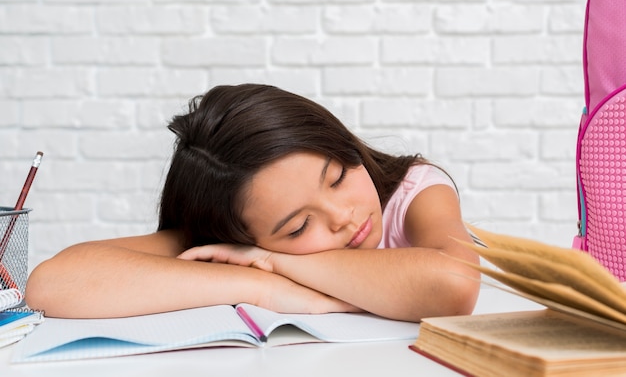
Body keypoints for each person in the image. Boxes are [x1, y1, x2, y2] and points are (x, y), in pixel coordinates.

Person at [25, 84, 480, 321]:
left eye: (338, 177)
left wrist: (277, 260)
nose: (344, 217)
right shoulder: (232, 239)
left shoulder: (411, 192)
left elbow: (455, 284)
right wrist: (261, 286)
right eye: (299, 228)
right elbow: (52, 284)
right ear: (237, 236)